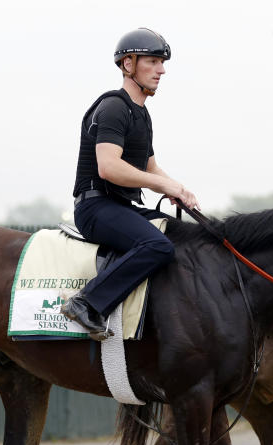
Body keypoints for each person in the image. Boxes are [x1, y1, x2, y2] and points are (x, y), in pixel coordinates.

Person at [61, 27, 200, 340]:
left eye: (162, 63)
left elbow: (150, 167)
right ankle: (86, 304)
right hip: (95, 208)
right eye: (152, 61)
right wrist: (164, 186)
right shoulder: (113, 107)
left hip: (121, 206)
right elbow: (109, 167)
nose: (161, 70)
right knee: (157, 245)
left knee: (182, 236)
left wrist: (178, 188)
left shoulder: (142, 114)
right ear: (128, 64)